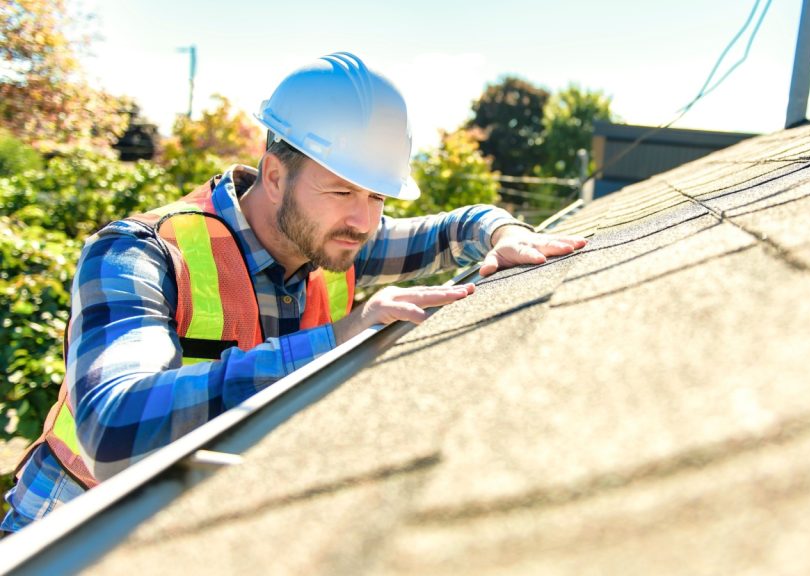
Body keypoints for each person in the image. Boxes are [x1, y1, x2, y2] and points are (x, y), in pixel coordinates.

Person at [1, 52, 586, 533]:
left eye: (379, 198)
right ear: (275, 175)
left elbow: (456, 227)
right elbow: (113, 428)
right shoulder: (139, 253)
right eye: (343, 193)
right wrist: (340, 339)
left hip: (183, 528)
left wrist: (505, 232)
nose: (364, 221)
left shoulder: (336, 240)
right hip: (66, 531)